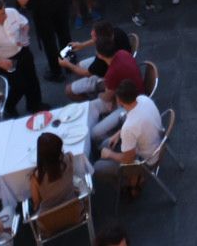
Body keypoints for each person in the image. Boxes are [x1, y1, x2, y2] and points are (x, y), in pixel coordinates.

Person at [92, 78, 161, 222]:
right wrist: (118, 134)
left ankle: (130, 184)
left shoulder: (130, 127)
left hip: (145, 161)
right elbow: (131, 120)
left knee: (97, 167)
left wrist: (109, 154)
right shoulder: (143, 99)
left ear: (120, 101)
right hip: (157, 143)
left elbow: (127, 159)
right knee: (106, 143)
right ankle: (133, 180)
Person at [28, 130, 80, 227]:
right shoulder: (69, 158)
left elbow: (36, 203)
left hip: (50, 223)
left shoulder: (37, 177)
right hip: (74, 212)